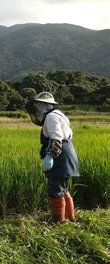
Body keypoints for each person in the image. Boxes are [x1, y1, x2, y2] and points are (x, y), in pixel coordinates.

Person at [25, 92, 79, 223]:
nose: (38, 108)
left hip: (60, 156)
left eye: (40, 105)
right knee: (63, 189)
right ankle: (70, 219)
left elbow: (56, 136)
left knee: (55, 190)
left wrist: (50, 156)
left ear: (48, 106)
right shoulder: (59, 115)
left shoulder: (51, 117)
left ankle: (59, 222)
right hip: (66, 154)